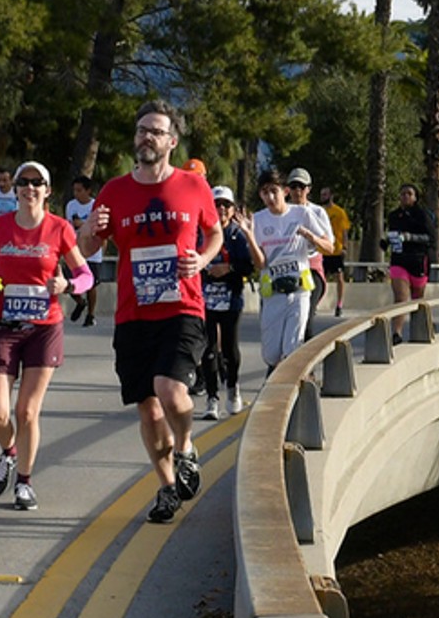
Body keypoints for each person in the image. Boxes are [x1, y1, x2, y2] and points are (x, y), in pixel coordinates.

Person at [77, 101, 222, 524]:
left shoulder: (194, 187)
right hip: (133, 313)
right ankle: (165, 487)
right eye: (142, 130)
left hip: (182, 305)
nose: (146, 137)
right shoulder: (114, 191)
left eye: (156, 131)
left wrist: (201, 258)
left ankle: (187, 447)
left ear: (172, 142)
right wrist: (88, 229)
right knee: (148, 407)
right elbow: (88, 249)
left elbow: (213, 232)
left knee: (170, 389)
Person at [0, 161, 92, 510]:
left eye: (37, 182)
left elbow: (86, 275)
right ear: (17, 189)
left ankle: (24, 482)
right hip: (2, 326)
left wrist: (67, 284)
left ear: (47, 190)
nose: (29, 187)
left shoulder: (60, 228)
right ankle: (9, 451)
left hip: (43, 328)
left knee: (26, 412)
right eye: (23, 182)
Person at [252, 170, 333, 373]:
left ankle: (293, 395)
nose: (270, 197)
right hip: (273, 293)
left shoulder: (302, 214)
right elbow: (260, 264)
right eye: (264, 193)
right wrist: (247, 236)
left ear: (285, 191)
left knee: (292, 349)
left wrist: (310, 236)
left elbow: (329, 247)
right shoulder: (258, 220)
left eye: (274, 191)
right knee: (271, 354)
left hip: (299, 291)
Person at [199, 185, 260, 419]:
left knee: (230, 349)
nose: (221, 209)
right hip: (205, 299)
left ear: (233, 209)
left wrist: (228, 268)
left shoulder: (237, 235)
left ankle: (232, 388)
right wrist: (207, 270)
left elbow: (249, 266)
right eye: (217, 205)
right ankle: (212, 397)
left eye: (226, 205)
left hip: (231, 299)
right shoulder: (201, 233)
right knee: (208, 348)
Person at [385, 183, 437, 343]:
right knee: (400, 297)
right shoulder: (393, 215)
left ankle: (425, 327)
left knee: (417, 299)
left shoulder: (422, 215)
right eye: (402, 194)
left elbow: (431, 238)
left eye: (409, 193)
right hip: (399, 260)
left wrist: (410, 237)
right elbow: (392, 235)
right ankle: (396, 333)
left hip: (418, 260)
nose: (405, 196)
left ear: (415, 197)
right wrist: (385, 242)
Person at [283, 169, 333, 334]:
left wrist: (311, 237)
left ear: (309, 189)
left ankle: (306, 358)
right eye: (293, 186)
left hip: (311, 270)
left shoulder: (317, 212)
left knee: (305, 321)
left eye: (301, 187)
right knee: (286, 323)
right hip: (286, 269)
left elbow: (329, 245)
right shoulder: (282, 211)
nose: (297, 191)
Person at [65, 175, 104, 326]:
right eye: (74, 190)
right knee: (69, 281)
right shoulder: (71, 206)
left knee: (92, 285)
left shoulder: (96, 205)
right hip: (76, 249)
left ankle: (91, 314)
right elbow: (70, 226)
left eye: (80, 190)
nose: (76, 193)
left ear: (88, 191)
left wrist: (83, 223)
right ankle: (80, 302)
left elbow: (99, 227)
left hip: (93, 250)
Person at [318, 185, 352, 317]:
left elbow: (344, 231)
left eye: (325, 194)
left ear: (331, 196)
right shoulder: (319, 212)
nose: (323, 197)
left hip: (336, 249)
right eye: (321, 195)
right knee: (320, 279)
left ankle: (339, 304)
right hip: (322, 250)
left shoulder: (339, 212)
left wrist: (345, 246)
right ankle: (316, 302)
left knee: (339, 277)